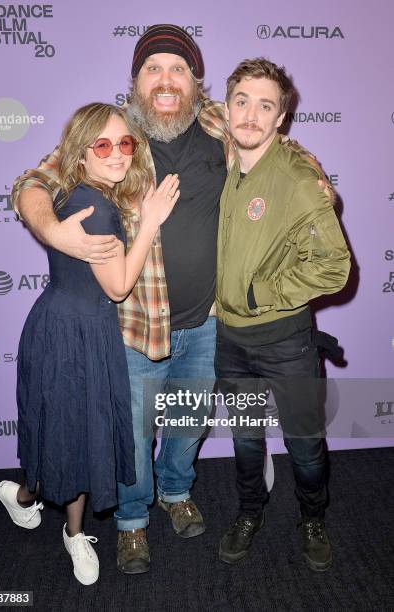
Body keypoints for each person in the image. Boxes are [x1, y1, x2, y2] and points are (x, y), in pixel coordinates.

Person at [11, 24, 333, 574]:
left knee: (185, 426)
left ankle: (176, 491)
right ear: (135, 80)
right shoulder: (112, 134)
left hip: (208, 324)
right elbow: (32, 183)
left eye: (178, 68)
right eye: (153, 68)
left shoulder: (218, 124)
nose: (166, 80)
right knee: (134, 435)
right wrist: (55, 231)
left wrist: (316, 176)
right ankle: (132, 524)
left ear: (195, 81)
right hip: (135, 328)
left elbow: (277, 146)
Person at [0, 103, 179, 586]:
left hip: (68, 325)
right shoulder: (96, 207)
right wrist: (153, 219)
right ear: (81, 156)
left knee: (62, 430)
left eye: (125, 144)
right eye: (103, 145)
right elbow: (119, 287)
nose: (117, 154)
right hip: (74, 334)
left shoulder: (86, 193)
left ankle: (23, 499)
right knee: (76, 436)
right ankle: (73, 534)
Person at [215, 58, 351, 571]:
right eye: (242, 101)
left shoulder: (297, 177)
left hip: (285, 341)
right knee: (247, 441)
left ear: (281, 119)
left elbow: (335, 267)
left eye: (265, 105)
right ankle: (250, 512)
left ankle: (313, 517)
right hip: (229, 341)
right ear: (227, 109)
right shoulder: (226, 160)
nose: (250, 114)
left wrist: (261, 293)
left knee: (305, 446)